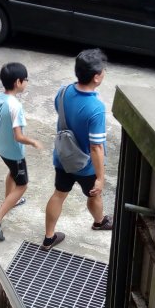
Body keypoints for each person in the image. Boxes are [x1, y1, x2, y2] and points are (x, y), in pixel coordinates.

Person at [42, 48, 113, 250]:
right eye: (103, 70)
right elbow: (96, 147)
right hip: (86, 166)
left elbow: (62, 115)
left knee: (59, 194)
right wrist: (100, 177)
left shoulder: (63, 92)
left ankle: (49, 237)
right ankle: (99, 222)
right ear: (97, 78)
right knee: (94, 195)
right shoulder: (96, 108)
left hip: (63, 157)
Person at [0, 62, 41, 241]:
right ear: (18, 82)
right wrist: (32, 141)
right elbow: (18, 136)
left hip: (1, 147)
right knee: (22, 184)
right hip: (14, 152)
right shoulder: (15, 106)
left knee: (12, 172)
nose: (26, 83)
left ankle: (10, 200)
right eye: (26, 80)